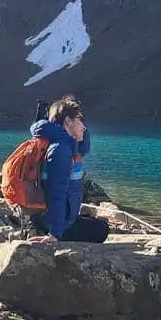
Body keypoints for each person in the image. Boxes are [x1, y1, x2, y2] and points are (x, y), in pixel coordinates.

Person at [26, 95, 110, 244]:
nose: (83, 127)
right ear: (68, 121)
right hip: (53, 223)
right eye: (79, 120)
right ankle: (49, 231)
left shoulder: (66, 145)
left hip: (57, 219)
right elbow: (56, 193)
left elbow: (84, 147)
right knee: (102, 230)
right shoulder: (61, 150)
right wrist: (54, 234)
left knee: (96, 225)